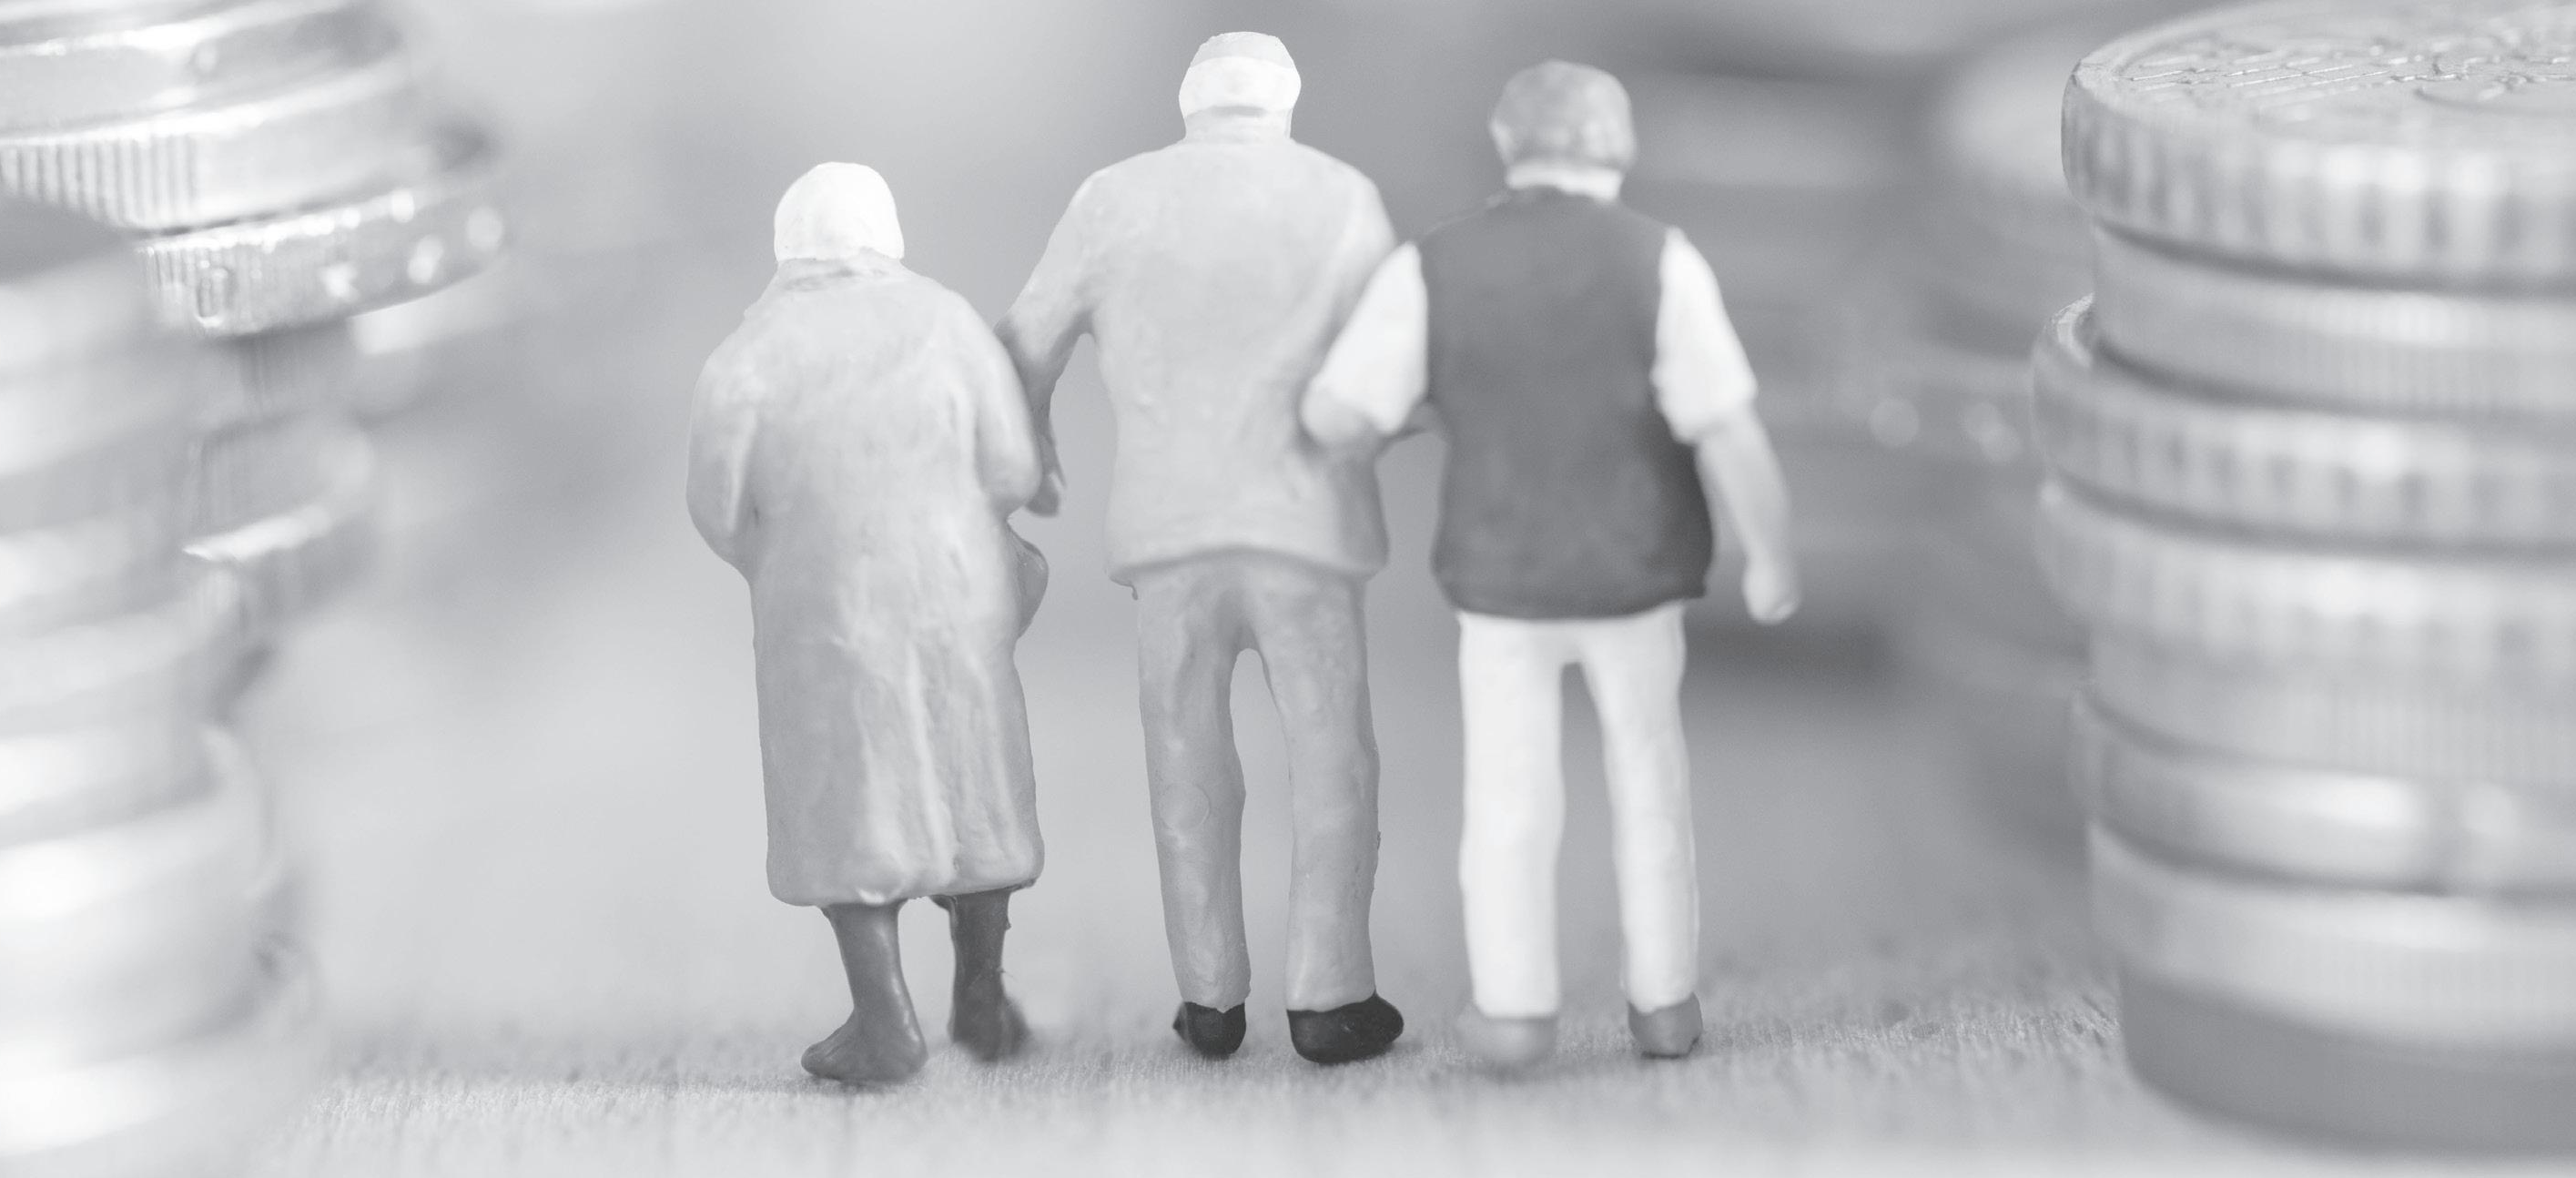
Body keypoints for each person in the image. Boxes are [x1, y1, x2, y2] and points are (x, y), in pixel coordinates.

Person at [1302, 61, 1800, 1069]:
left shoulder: (1433, 265)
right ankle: (1664, 1004)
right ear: (1619, 145)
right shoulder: (1660, 260)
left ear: (1506, 142)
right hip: (1636, 571)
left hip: (1501, 578)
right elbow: (1727, 428)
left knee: (1506, 798)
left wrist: (1425, 406)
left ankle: (1516, 1007)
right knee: (1651, 787)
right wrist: (1770, 555)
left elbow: (1337, 414)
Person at [998, 32, 1404, 1064]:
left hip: (1167, 527)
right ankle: (1331, 993)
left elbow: (1024, 343)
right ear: (1285, 100)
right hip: (1306, 523)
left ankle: (1209, 997)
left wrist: (1028, 461)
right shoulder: (1342, 195)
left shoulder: (1113, 199)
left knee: (1184, 756)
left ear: (1189, 102)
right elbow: (1393, 355)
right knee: (1330, 758)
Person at [688, 163, 1050, 1085]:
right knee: (973, 786)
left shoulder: (747, 356)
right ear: (886, 236)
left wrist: (779, 563)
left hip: (825, 608)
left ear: (789, 245)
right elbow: (1011, 468)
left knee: (847, 800)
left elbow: (716, 509)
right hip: (957, 587)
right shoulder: (950, 324)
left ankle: (884, 1021)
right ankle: (982, 998)